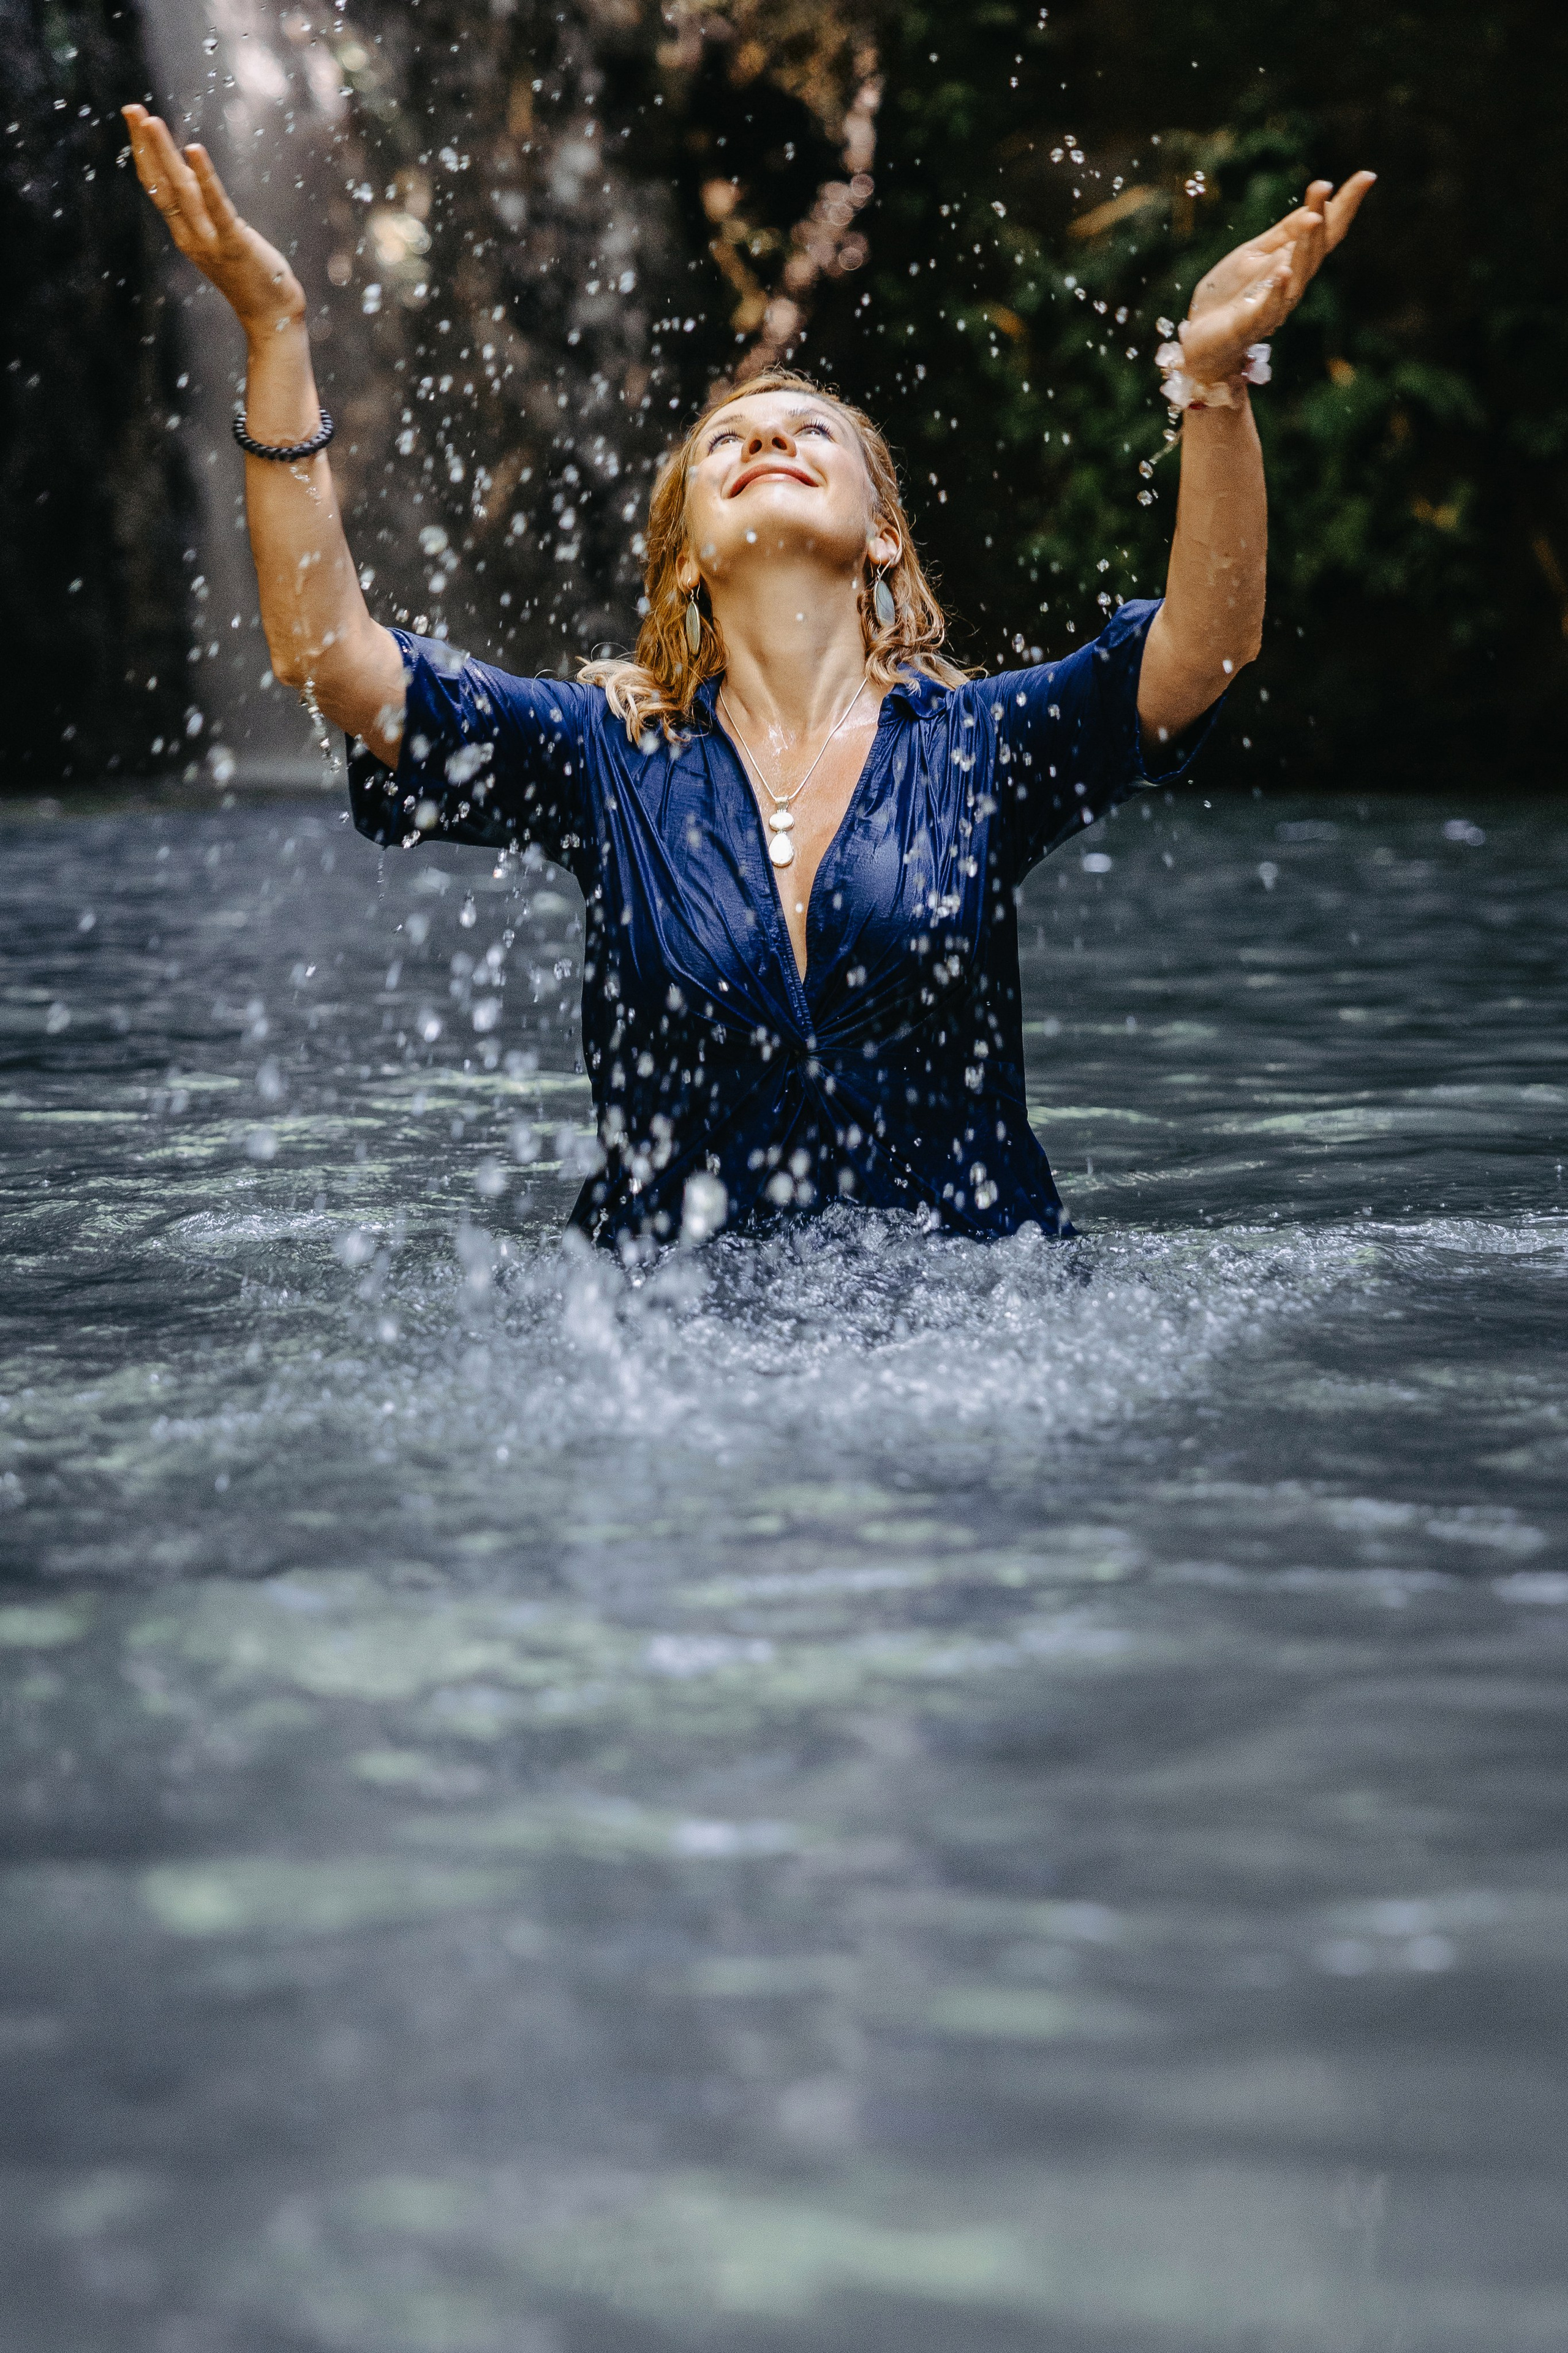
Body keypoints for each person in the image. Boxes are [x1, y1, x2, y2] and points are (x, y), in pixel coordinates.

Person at [122, 105, 1373, 1255]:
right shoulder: (602, 756)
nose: (767, 436)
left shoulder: (981, 746)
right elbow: (328, 658)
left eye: (807, 431)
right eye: (724, 440)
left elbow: (1204, 649)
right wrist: (276, 331)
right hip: (671, 1349)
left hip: (967, 1329)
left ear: (881, 533)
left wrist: (1209, 381)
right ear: (681, 567)